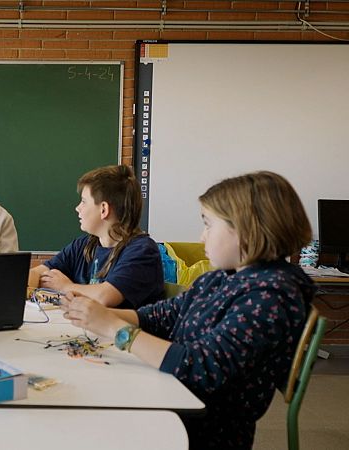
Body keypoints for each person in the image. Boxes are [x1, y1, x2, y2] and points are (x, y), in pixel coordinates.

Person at [60, 171, 314, 449]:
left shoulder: (272, 296)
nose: (202, 237)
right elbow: (162, 315)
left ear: (246, 228)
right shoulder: (223, 277)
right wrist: (95, 316)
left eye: (208, 224)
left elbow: (200, 367)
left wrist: (114, 328)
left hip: (201, 427)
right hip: (174, 398)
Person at [28, 165, 163, 308]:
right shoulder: (83, 245)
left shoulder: (143, 250)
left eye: (84, 201)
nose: (77, 208)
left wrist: (65, 287)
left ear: (103, 209)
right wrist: (27, 282)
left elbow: (105, 296)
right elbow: (41, 274)